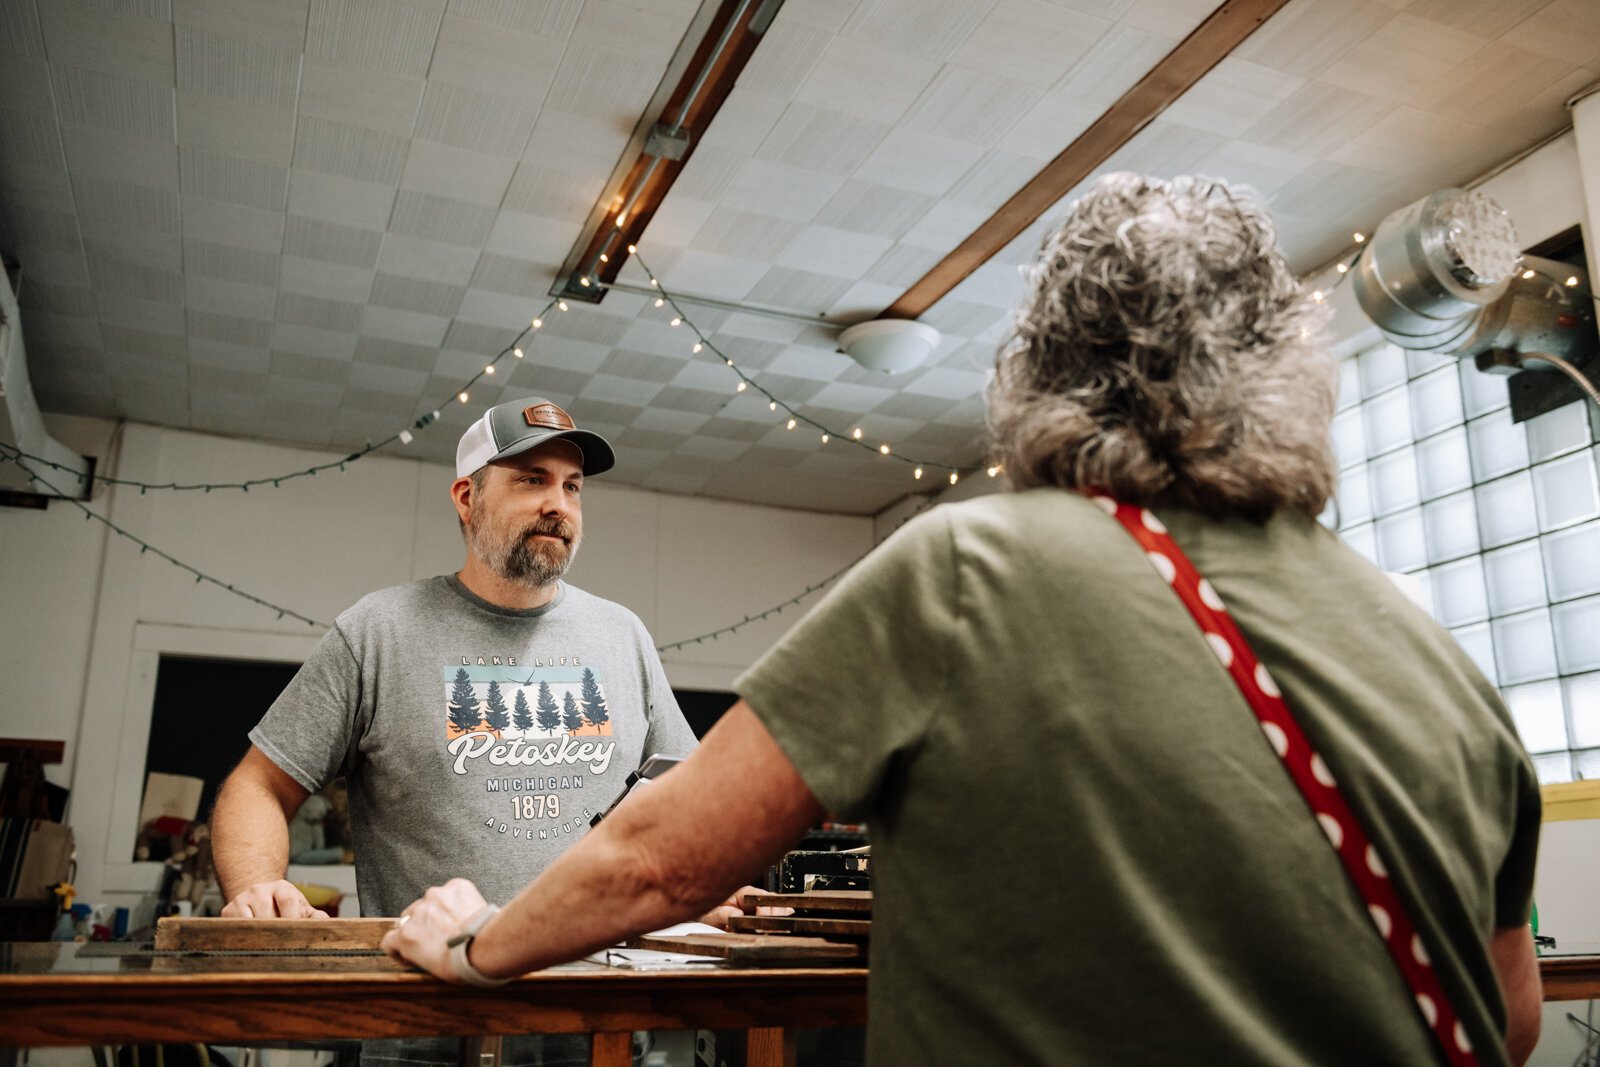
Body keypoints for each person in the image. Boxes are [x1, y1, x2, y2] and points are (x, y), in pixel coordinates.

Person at [381, 176, 1544, 1066]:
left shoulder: (971, 568)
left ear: (1038, 367)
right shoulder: (1436, 654)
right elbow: (1510, 1013)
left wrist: (472, 944)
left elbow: (661, 861)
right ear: (1296, 368)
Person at [211, 397, 704, 1063]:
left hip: (597, 1029)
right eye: (531, 479)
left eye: (572, 485)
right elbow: (257, 785)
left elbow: (692, 802)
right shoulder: (377, 632)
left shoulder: (623, 635)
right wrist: (255, 887)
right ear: (466, 496)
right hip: (419, 1035)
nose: (557, 503)